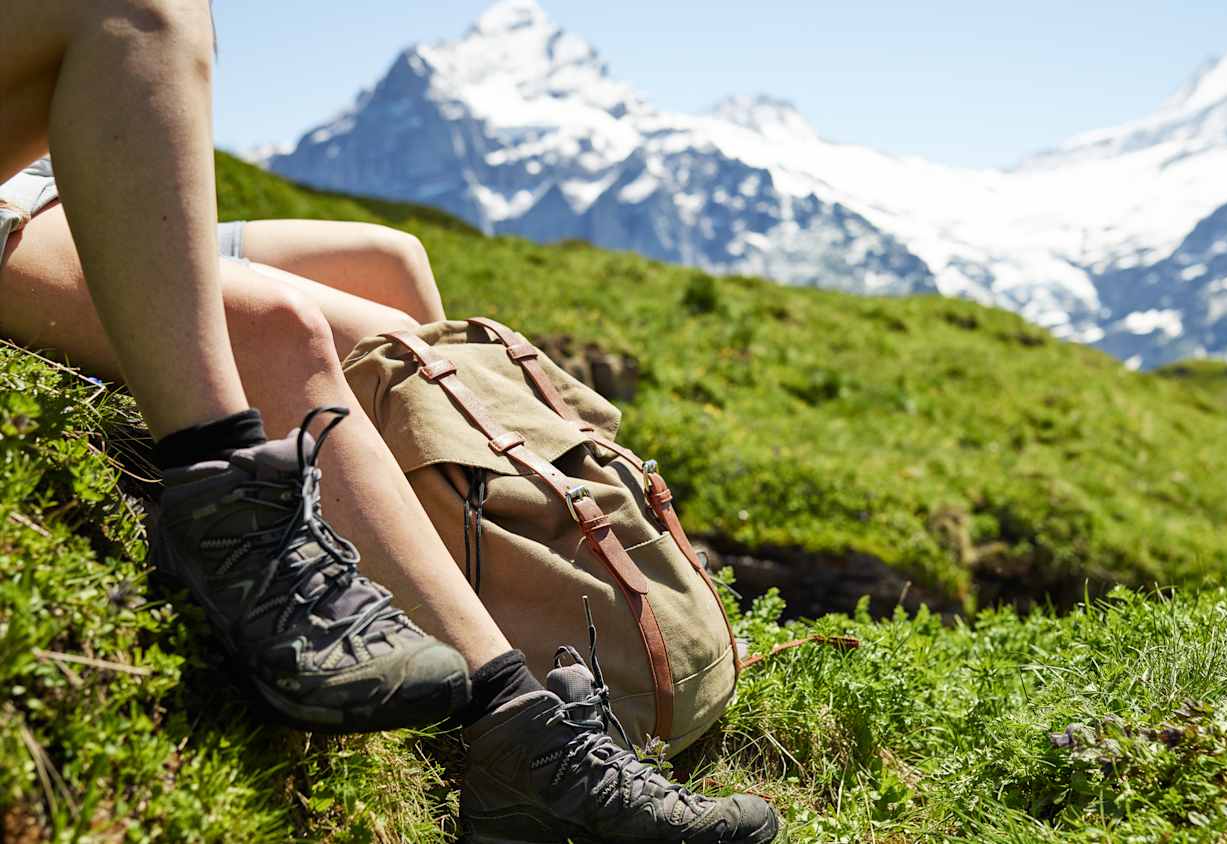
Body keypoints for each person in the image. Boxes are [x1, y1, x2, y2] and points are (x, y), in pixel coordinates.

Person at [0, 5, 778, 836]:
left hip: (44, 182)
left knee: (390, 269)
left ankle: (485, 614)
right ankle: (517, 735)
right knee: (278, 330)